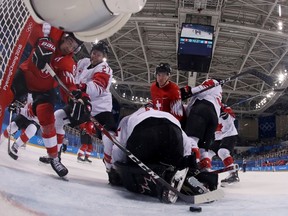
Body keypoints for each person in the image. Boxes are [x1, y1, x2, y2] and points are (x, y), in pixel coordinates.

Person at [0, 22, 90, 177]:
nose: (69, 47)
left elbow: (68, 85)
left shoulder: (68, 63)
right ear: (65, 37)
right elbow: (31, 29)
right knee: (3, 97)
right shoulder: (53, 34)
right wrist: (41, 40)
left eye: (73, 46)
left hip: (43, 90)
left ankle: (54, 158)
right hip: (26, 75)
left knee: (47, 120)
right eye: (69, 42)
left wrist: (75, 96)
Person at [110, 107, 218, 203]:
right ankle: (201, 179)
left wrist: (116, 169)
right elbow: (187, 145)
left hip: (144, 131)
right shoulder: (167, 115)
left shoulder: (129, 118)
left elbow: (118, 147)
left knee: (137, 167)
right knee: (173, 163)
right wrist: (187, 165)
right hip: (173, 131)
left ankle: (165, 175)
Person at [50, 41, 117, 167]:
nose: (94, 56)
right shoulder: (83, 62)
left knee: (109, 135)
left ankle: (110, 167)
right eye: (94, 53)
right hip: (82, 103)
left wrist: (78, 88)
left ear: (103, 57)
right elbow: (73, 77)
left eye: (98, 55)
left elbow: (97, 88)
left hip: (100, 108)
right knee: (58, 117)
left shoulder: (105, 68)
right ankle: (55, 155)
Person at [180, 79, 223, 166]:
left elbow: (203, 88)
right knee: (203, 149)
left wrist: (189, 91)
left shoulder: (214, 82)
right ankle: (205, 170)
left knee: (191, 140)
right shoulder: (217, 97)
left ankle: (191, 165)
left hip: (201, 110)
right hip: (213, 119)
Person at [202, 105, 240, 185]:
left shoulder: (222, 107)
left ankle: (233, 174)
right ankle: (205, 170)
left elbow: (232, 118)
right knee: (208, 153)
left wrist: (224, 113)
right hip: (218, 137)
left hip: (229, 134)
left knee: (222, 152)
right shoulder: (209, 109)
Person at [1, 95, 40, 160]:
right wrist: (13, 103)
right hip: (24, 114)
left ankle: (16, 145)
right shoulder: (32, 91)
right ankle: (1, 139)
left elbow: (30, 113)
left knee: (32, 130)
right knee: (12, 127)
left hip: (36, 120)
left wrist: (18, 109)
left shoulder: (45, 104)